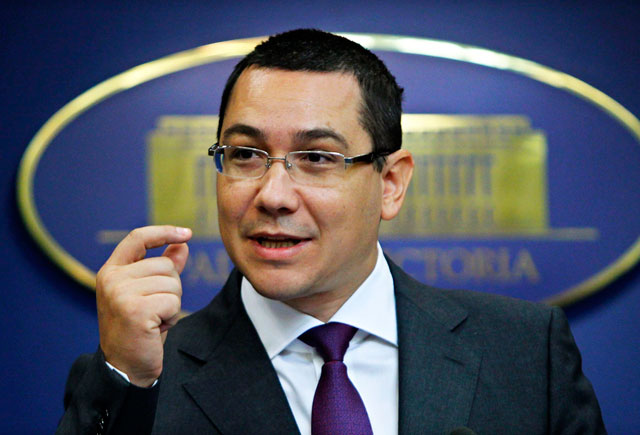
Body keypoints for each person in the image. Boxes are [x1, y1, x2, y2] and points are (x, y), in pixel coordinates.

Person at [57, 29, 606, 434]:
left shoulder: (526, 353)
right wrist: (127, 379)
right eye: (245, 154)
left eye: (317, 158)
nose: (272, 195)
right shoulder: (142, 377)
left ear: (390, 183)